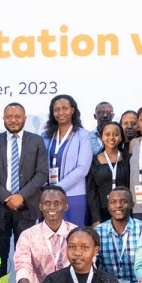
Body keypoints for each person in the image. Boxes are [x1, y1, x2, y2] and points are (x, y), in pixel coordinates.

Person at [0, 102, 49, 280]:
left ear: (24, 119)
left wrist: (21, 196)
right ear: (3, 119)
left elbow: (42, 173)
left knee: (25, 256)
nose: (13, 120)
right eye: (9, 117)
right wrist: (7, 197)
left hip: (26, 208)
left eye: (17, 117)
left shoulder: (37, 141)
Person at [13, 186, 76, 283]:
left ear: (65, 207)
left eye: (57, 203)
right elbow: (22, 272)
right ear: (40, 207)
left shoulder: (76, 234)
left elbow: (88, 268)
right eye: (47, 203)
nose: (51, 207)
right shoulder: (28, 236)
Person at [43, 94, 93, 226]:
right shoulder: (45, 136)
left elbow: (82, 168)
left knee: (74, 237)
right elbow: (40, 165)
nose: (60, 113)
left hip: (74, 196)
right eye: (56, 109)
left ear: (73, 110)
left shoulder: (83, 135)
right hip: (49, 197)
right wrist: (47, 189)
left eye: (65, 108)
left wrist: (58, 188)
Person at [94, 187, 142, 283]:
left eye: (124, 201)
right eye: (113, 202)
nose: (118, 205)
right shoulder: (97, 232)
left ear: (132, 205)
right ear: (108, 205)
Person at [86, 121, 130, 225]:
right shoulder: (93, 161)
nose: (111, 137)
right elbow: (92, 192)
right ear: (101, 137)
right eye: (107, 134)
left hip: (125, 209)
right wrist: (96, 218)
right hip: (102, 211)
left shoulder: (128, 159)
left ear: (121, 138)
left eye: (116, 134)